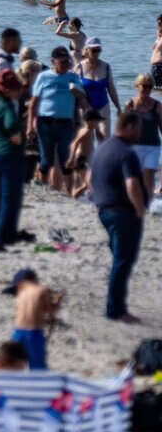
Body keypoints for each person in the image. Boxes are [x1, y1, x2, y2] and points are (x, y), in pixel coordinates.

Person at [90, 111, 147, 322]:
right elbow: (132, 184)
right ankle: (115, 310)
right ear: (130, 126)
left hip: (104, 210)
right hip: (122, 213)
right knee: (123, 261)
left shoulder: (102, 148)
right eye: (139, 128)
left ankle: (116, 306)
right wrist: (140, 208)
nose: (140, 132)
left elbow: (90, 179)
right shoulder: (126, 152)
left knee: (119, 259)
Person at [27, 47, 88, 193]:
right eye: (62, 62)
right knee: (46, 160)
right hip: (45, 122)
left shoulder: (72, 77)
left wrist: (86, 116)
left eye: (67, 61)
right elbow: (33, 104)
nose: (65, 65)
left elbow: (82, 98)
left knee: (65, 159)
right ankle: (44, 191)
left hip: (65, 123)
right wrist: (30, 126)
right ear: (53, 62)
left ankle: (68, 192)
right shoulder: (44, 77)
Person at [0, 70, 26, 249]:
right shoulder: (7, 106)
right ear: (8, 90)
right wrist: (19, 136)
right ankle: (5, 236)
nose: (19, 91)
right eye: (16, 88)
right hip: (8, 155)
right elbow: (13, 131)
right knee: (10, 198)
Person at [5, 268, 62, 371]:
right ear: (34, 279)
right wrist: (57, 300)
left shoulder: (20, 290)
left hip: (17, 331)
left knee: (13, 367)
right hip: (33, 332)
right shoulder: (42, 289)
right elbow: (51, 311)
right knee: (37, 369)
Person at [124, 74, 162, 194]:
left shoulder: (157, 105)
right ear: (137, 86)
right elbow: (124, 128)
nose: (147, 90)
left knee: (149, 177)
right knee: (136, 178)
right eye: (144, 86)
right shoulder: (130, 105)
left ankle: (148, 205)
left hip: (153, 146)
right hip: (135, 147)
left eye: (150, 87)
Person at [75, 38, 120, 136]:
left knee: (104, 137)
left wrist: (118, 107)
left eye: (99, 50)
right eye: (94, 50)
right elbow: (74, 90)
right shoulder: (79, 67)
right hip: (85, 108)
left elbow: (111, 89)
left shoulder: (106, 66)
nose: (97, 53)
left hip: (103, 106)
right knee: (86, 139)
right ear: (87, 50)